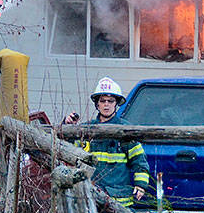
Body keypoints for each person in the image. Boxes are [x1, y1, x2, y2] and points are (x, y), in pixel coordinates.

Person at [64, 77, 149, 205]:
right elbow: (69, 150)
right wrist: (68, 128)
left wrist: (141, 185)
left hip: (119, 199)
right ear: (97, 104)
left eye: (110, 101)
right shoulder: (86, 129)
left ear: (116, 104)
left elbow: (139, 160)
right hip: (90, 197)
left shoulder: (125, 130)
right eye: (103, 101)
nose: (106, 104)